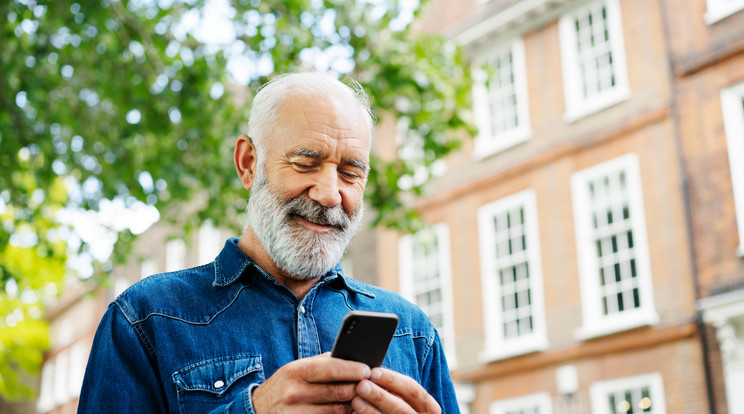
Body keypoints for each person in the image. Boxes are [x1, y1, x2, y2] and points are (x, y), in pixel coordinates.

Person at [78, 73, 459, 413]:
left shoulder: (414, 333)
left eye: (349, 172)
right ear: (248, 163)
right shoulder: (145, 319)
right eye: (306, 164)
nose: (329, 194)